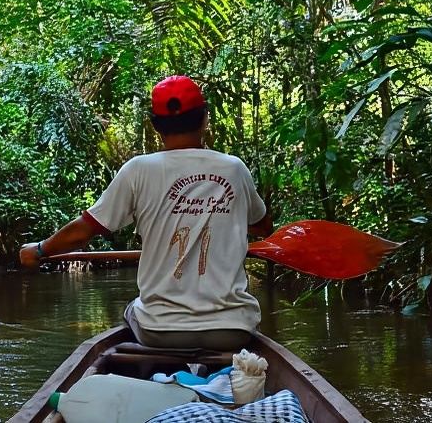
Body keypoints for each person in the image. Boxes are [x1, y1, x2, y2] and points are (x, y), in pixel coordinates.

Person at [20, 75, 273, 351]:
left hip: (161, 330)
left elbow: (84, 230)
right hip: (232, 330)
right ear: (205, 119)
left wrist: (40, 250)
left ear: (155, 126)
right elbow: (263, 227)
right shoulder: (234, 169)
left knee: (133, 309)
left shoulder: (138, 170)